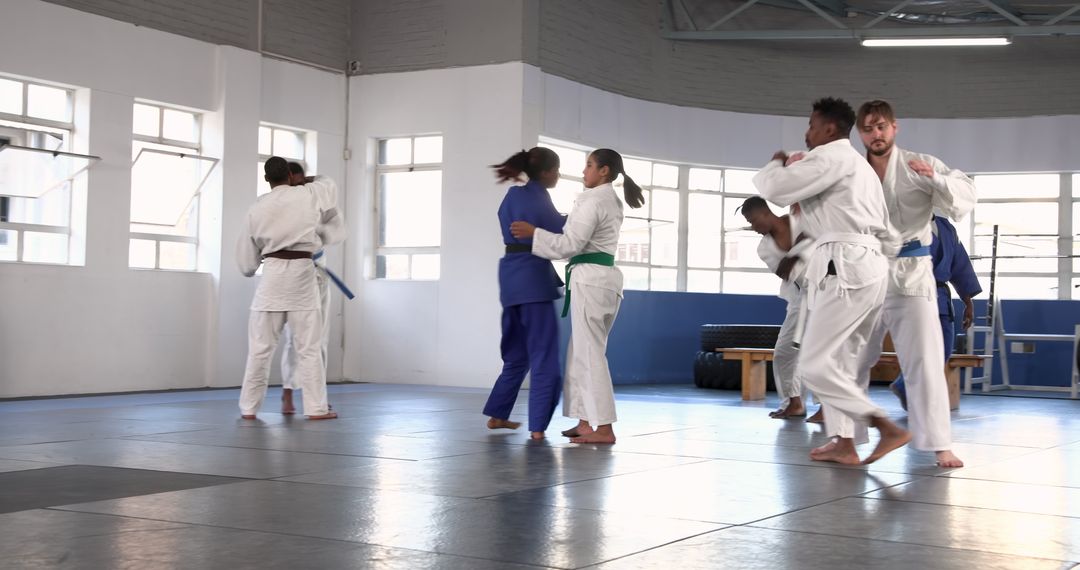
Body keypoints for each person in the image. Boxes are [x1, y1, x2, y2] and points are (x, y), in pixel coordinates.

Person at [753, 97, 910, 465]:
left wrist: (777, 161)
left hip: (846, 264)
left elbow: (773, 189)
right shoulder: (858, 167)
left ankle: (885, 426)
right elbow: (890, 236)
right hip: (866, 266)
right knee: (840, 362)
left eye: (810, 125)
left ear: (828, 129)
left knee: (813, 363)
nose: (806, 134)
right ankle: (845, 441)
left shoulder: (832, 156)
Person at [848, 99, 977, 468]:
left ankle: (940, 444)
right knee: (851, 358)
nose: (876, 134)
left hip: (912, 272)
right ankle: (847, 437)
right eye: (869, 128)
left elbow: (962, 197)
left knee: (925, 359)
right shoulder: (851, 171)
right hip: (864, 270)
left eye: (882, 127)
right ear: (860, 132)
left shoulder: (920, 164)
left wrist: (935, 180)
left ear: (894, 127)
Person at [509, 148, 644, 444]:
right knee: (581, 353)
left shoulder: (594, 199)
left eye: (589, 165)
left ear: (604, 171)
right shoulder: (608, 199)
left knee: (590, 356)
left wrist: (535, 233)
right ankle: (585, 422)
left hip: (591, 282)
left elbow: (570, 244)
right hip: (602, 281)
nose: (584, 171)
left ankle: (604, 427)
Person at [236, 157, 345, 420]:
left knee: (260, 351)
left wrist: (254, 266)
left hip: (270, 281)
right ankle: (316, 408)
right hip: (301, 280)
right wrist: (305, 180)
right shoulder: (307, 194)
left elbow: (246, 262)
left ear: (266, 179)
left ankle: (249, 408)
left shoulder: (256, 208)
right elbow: (328, 185)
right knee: (309, 349)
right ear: (289, 174)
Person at [482, 147, 567, 440]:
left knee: (517, 356)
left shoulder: (513, 196)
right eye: (556, 170)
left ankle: (497, 415)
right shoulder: (540, 197)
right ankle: (538, 428)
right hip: (533, 280)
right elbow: (562, 230)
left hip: (510, 279)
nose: (558, 175)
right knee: (545, 357)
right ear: (545, 173)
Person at [891, 214, 982, 410]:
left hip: (940, 296)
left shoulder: (945, 226)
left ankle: (903, 386)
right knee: (922, 349)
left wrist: (968, 301)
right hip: (913, 292)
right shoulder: (904, 219)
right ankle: (914, 395)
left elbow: (960, 264)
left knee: (945, 348)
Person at [738, 196, 817, 420]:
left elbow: (822, 241)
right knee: (785, 351)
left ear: (765, 213)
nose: (753, 228)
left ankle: (824, 407)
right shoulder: (764, 248)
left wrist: (801, 246)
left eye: (753, 221)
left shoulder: (802, 220)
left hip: (827, 289)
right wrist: (803, 245)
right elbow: (785, 271)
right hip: (801, 296)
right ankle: (794, 402)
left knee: (819, 351)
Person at [279, 162, 333, 415]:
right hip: (294, 274)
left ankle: (317, 396)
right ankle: (287, 393)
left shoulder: (312, 195)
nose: (301, 186)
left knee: (320, 338)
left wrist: (305, 180)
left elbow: (326, 181)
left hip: (319, 270)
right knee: (294, 339)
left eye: (303, 182)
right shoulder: (279, 203)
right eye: (296, 182)